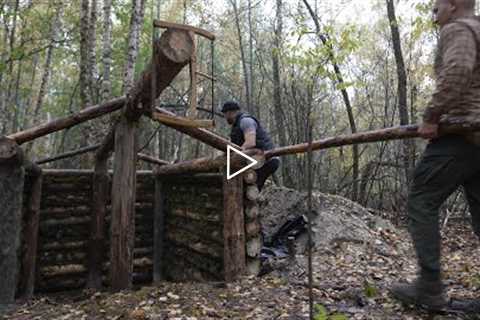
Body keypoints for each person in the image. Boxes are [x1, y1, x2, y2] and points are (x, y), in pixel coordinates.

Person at [390, 0, 480, 311]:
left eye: (436, 6)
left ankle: (429, 287)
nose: (433, 12)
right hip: (477, 138)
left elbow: (457, 72)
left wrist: (432, 115)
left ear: (453, 5)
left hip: (459, 136)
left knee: (421, 198)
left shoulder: (459, 29)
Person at [221, 101, 280, 191]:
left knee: (248, 187)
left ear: (230, 112)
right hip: (257, 160)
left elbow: (250, 142)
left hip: (267, 159)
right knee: (247, 187)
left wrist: (235, 155)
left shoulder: (246, 121)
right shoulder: (236, 126)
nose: (224, 117)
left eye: (225, 114)